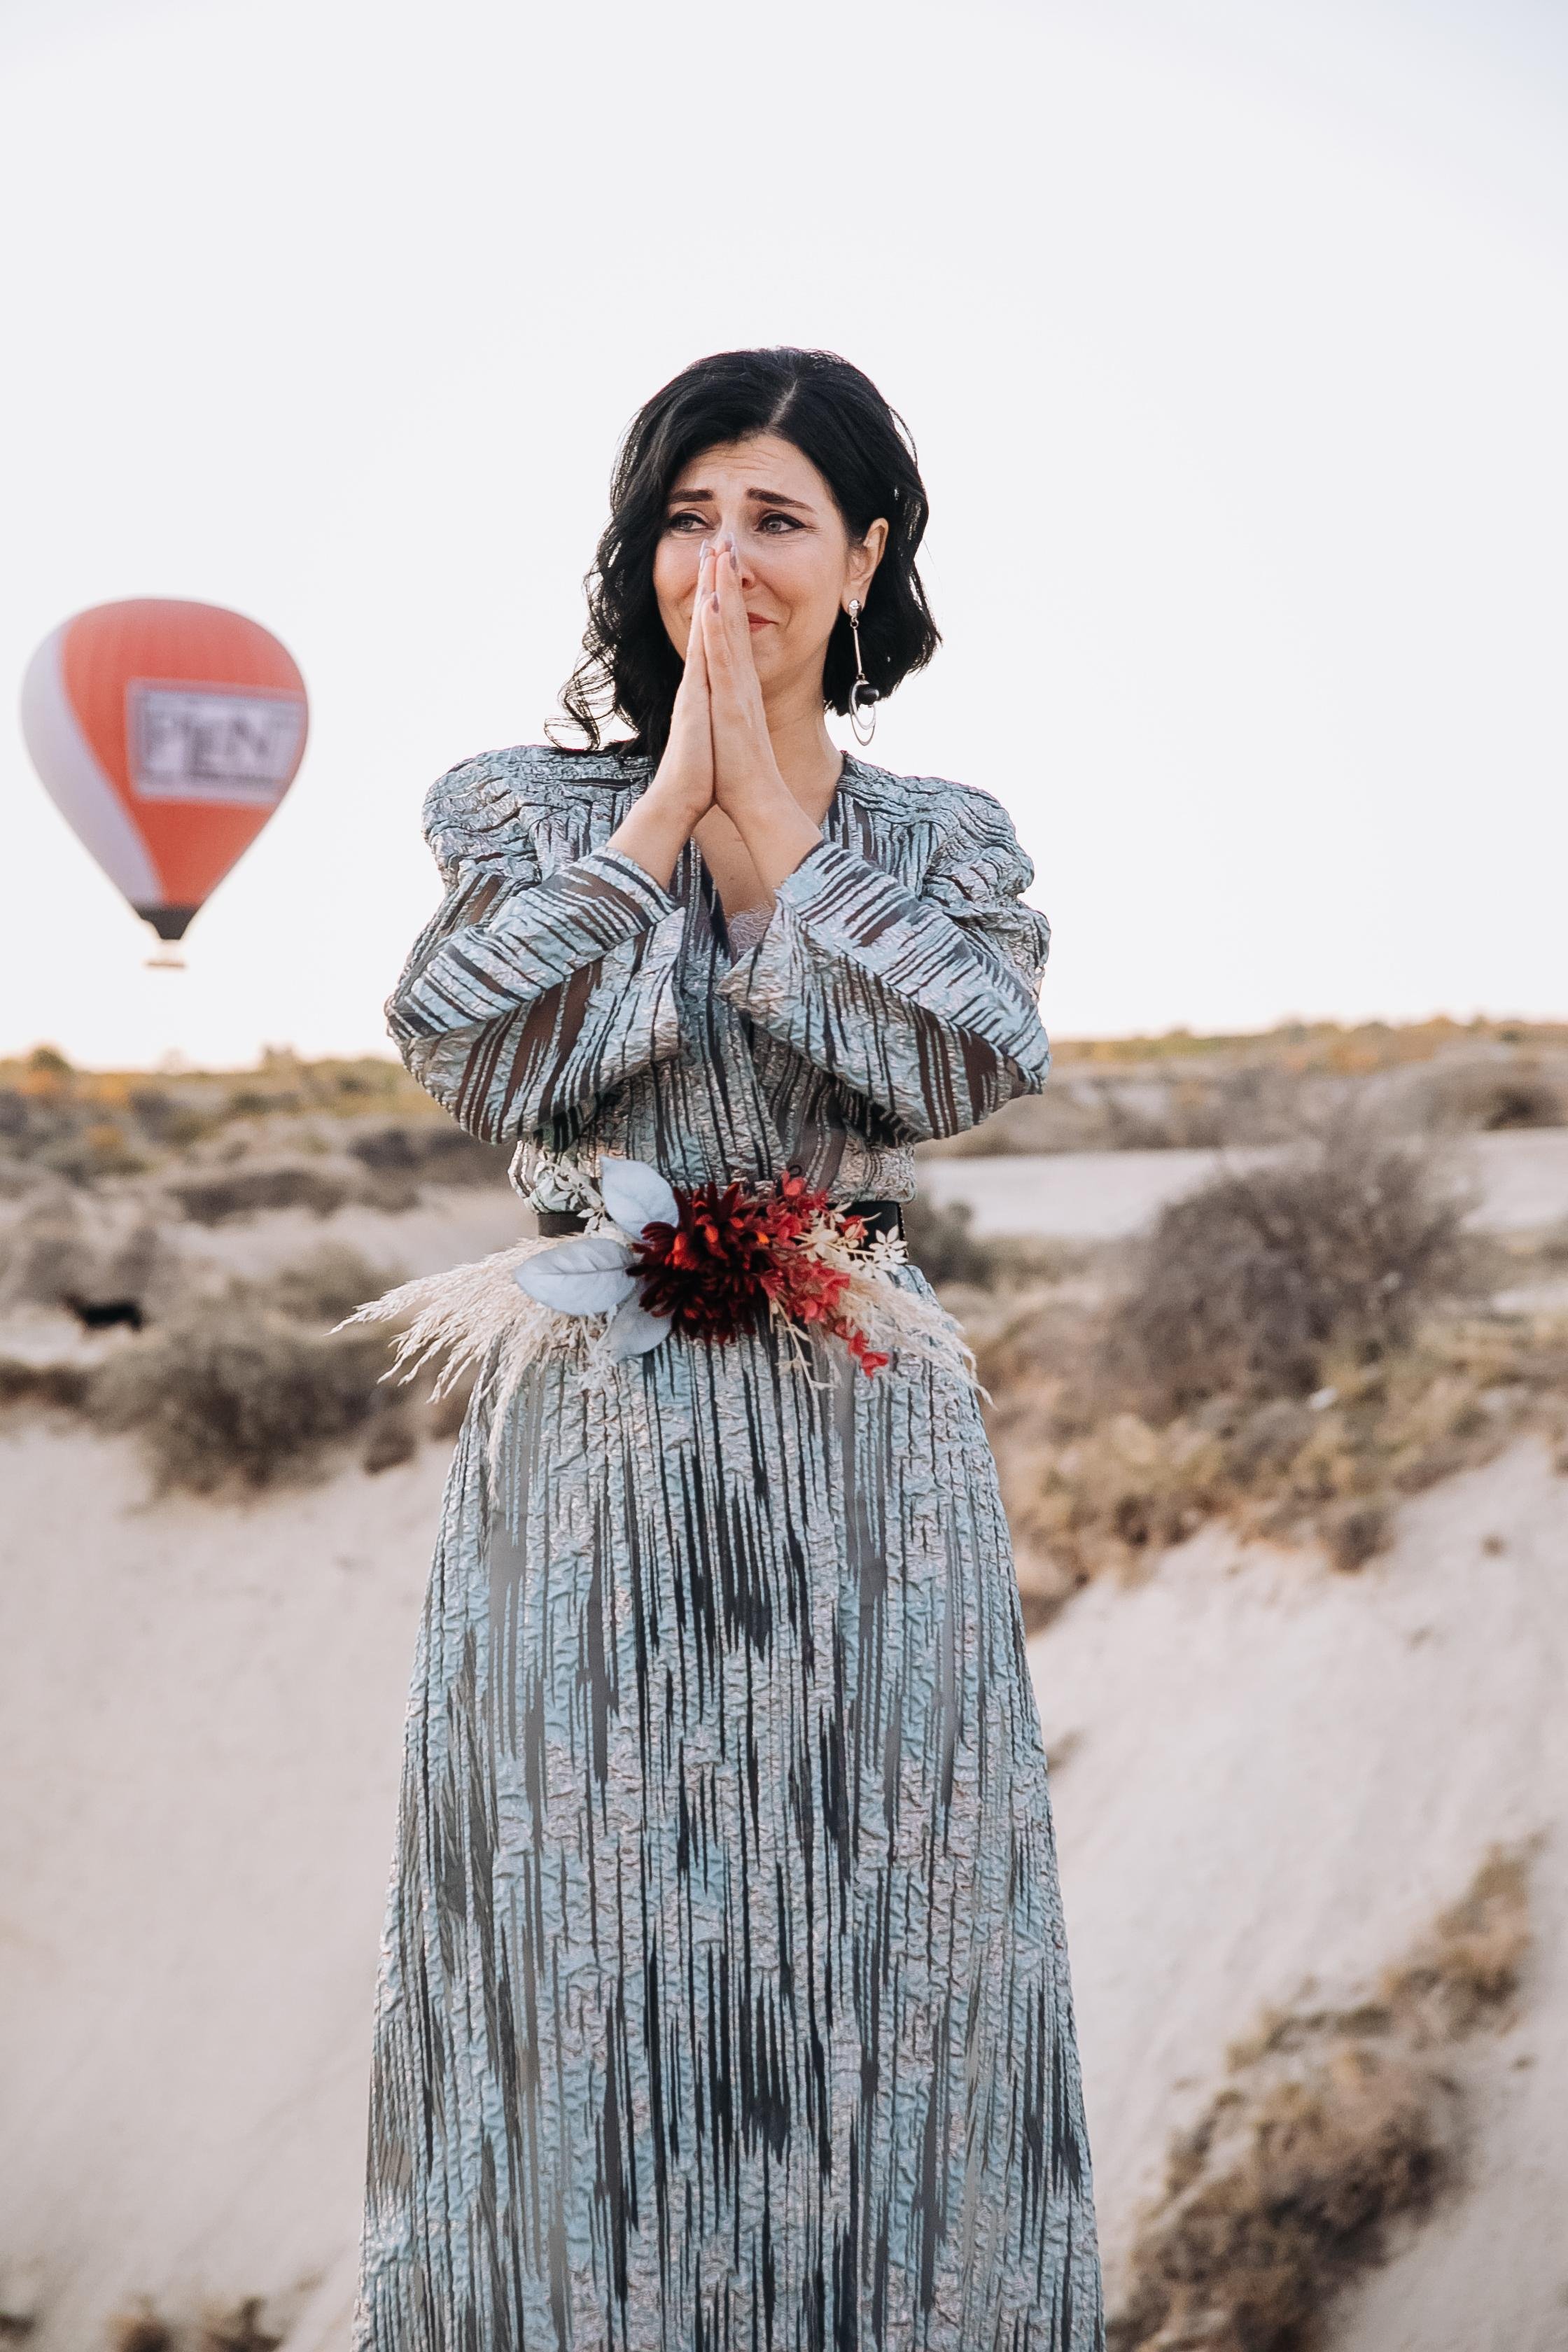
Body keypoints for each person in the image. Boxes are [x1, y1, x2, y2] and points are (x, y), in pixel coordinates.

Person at [354, 347, 1103, 2349]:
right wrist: (660, 817)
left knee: (881, 1917)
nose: (725, 556)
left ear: (864, 557)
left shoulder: (946, 838)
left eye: (774, 516)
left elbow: (956, 1062)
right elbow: (476, 1046)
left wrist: (775, 831)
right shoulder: (517, 808)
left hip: (863, 1442)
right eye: (689, 513)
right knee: (588, 1924)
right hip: (592, 1432)